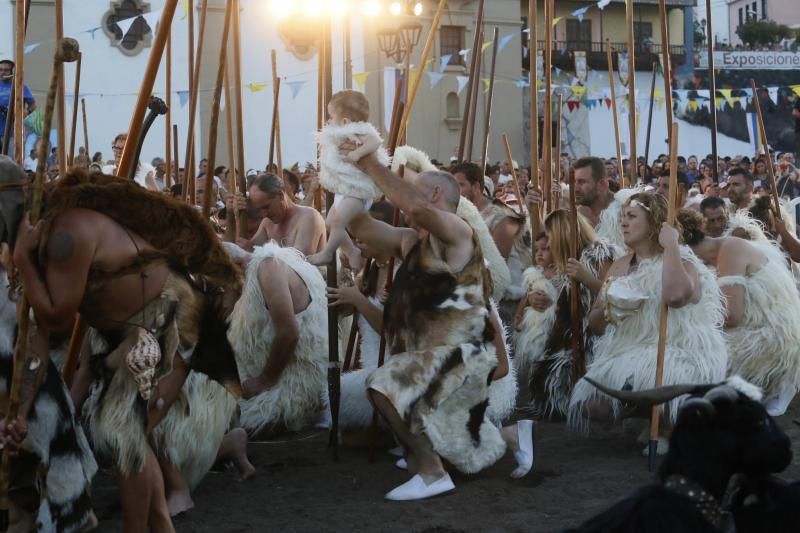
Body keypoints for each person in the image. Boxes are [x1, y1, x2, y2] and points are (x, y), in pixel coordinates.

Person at [2, 162, 244, 531]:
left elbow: (57, 318)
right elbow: (36, 340)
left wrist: (21, 260)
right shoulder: (38, 239)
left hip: (168, 317)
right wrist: (20, 411)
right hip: (124, 332)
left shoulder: (64, 234)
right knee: (127, 435)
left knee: (121, 433)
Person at [345, 148, 531, 500]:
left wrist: (369, 161)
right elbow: (360, 226)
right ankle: (513, 437)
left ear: (433, 195)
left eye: (412, 187)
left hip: (463, 356)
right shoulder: (411, 240)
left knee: (383, 384)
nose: (403, 194)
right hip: (432, 355)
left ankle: (432, 474)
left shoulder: (459, 232)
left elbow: (416, 209)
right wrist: (345, 176)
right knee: (456, 437)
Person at [569, 193, 728, 454]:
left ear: (653, 223)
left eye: (631, 217)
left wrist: (672, 247)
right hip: (628, 349)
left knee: (659, 373)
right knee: (592, 407)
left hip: (679, 349)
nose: (623, 223)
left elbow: (676, 297)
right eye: (622, 217)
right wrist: (612, 310)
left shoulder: (683, 260)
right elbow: (596, 324)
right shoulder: (619, 266)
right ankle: (649, 414)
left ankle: (667, 425)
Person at [0, 244, 98, 532]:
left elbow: (35, 349)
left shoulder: (16, 264)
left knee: (19, 508)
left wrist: (18, 413)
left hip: (32, 408)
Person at [678, 209, 800, 416]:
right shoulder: (716, 255)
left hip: (770, 339)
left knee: (693, 363)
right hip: (756, 330)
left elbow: (732, 316)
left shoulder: (730, 249)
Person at [224, 240, 328, 434]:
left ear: (236, 265)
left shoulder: (268, 268)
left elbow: (289, 333)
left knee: (228, 422)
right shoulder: (251, 273)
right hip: (265, 370)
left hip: (294, 376)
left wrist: (264, 380)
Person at [528, 210, 616, 419]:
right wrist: (533, 298)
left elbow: (614, 295)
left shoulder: (599, 255)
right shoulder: (562, 261)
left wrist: (586, 279)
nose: (547, 242)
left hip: (598, 336)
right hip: (566, 334)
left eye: (550, 236)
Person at [308, 90, 389, 267]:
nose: (328, 122)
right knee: (329, 223)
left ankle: (328, 253)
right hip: (344, 191)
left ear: (345, 121)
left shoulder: (359, 130)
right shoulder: (339, 136)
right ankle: (351, 251)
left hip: (358, 192)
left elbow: (375, 141)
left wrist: (358, 153)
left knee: (338, 222)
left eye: (331, 117)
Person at [228, 173, 326, 256]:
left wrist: (260, 255)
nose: (264, 214)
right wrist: (237, 216)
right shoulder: (267, 223)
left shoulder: (308, 217)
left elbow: (300, 264)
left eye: (266, 207)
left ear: (280, 195)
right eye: (260, 209)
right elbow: (245, 251)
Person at [0, 59, 36, 151]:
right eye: (0, 69)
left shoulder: (20, 86)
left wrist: (26, 113)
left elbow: (33, 104)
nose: (2, 72)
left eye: (6, 70)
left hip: (13, 134)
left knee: (12, 163)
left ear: (12, 71)